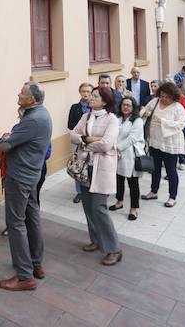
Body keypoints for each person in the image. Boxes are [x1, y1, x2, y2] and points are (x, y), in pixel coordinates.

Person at [0, 82, 52, 290]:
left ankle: (24, 276)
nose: (19, 94)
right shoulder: (42, 114)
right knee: (32, 218)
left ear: (32, 99)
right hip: (31, 176)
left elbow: (4, 145)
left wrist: (5, 138)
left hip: (20, 177)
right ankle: (36, 264)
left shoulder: (33, 120)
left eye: (23, 93)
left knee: (15, 223)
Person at [70, 86, 122, 266]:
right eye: (91, 96)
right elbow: (73, 135)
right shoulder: (86, 116)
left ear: (105, 101)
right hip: (86, 167)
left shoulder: (112, 120)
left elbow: (107, 145)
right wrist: (87, 139)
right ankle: (96, 240)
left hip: (102, 168)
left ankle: (114, 248)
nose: (91, 98)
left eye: (95, 96)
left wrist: (86, 143)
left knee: (99, 208)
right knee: (88, 207)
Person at [140, 82, 185, 208]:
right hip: (154, 141)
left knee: (171, 171)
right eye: (162, 96)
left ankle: (172, 196)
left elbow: (180, 125)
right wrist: (144, 113)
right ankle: (153, 191)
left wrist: (163, 121)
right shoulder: (154, 102)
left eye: (166, 97)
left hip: (170, 144)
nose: (163, 99)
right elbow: (145, 110)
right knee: (155, 169)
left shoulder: (178, 108)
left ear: (173, 96)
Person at [109, 96, 144, 221]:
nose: (125, 107)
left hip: (130, 156)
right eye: (124, 104)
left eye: (128, 105)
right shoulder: (117, 119)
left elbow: (132, 138)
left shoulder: (137, 121)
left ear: (133, 107)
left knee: (133, 183)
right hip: (117, 155)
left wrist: (117, 148)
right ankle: (119, 201)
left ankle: (134, 208)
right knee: (119, 179)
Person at [67, 82, 93, 204]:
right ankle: (79, 192)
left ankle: (92, 189)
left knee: (92, 165)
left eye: (88, 91)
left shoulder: (95, 108)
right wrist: (81, 128)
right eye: (83, 91)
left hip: (92, 141)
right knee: (78, 165)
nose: (86, 94)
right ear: (80, 92)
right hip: (78, 140)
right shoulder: (74, 107)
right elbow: (70, 124)